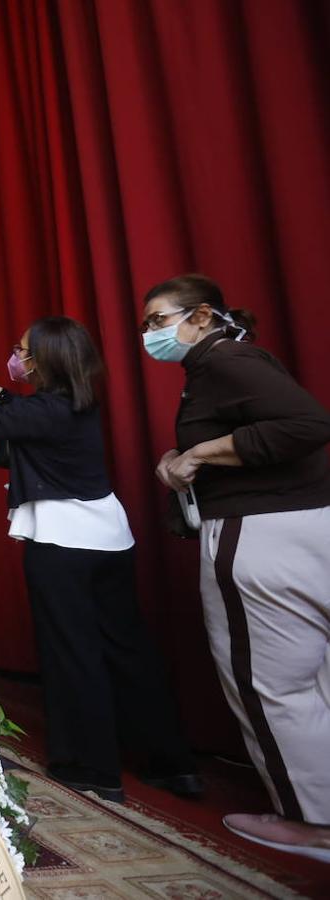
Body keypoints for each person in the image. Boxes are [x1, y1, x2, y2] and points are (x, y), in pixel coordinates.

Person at [0, 316, 196, 803]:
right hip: (108, 538)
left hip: (62, 543)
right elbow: (21, 417)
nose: (19, 357)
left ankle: (91, 766)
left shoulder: (47, 410)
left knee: (72, 652)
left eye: (24, 350)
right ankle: (169, 763)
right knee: (127, 648)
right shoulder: (73, 402)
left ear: (46, 358)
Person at [141, 273, 330, 860]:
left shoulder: (223, 361)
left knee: (269, 684)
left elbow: (307, 425)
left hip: (259, 536)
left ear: (200, 317)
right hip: (299, 527)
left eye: (157, 320)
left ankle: (312, 824)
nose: (148, 333)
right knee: (312, 679)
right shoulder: (223, 363)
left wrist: (198, 453)